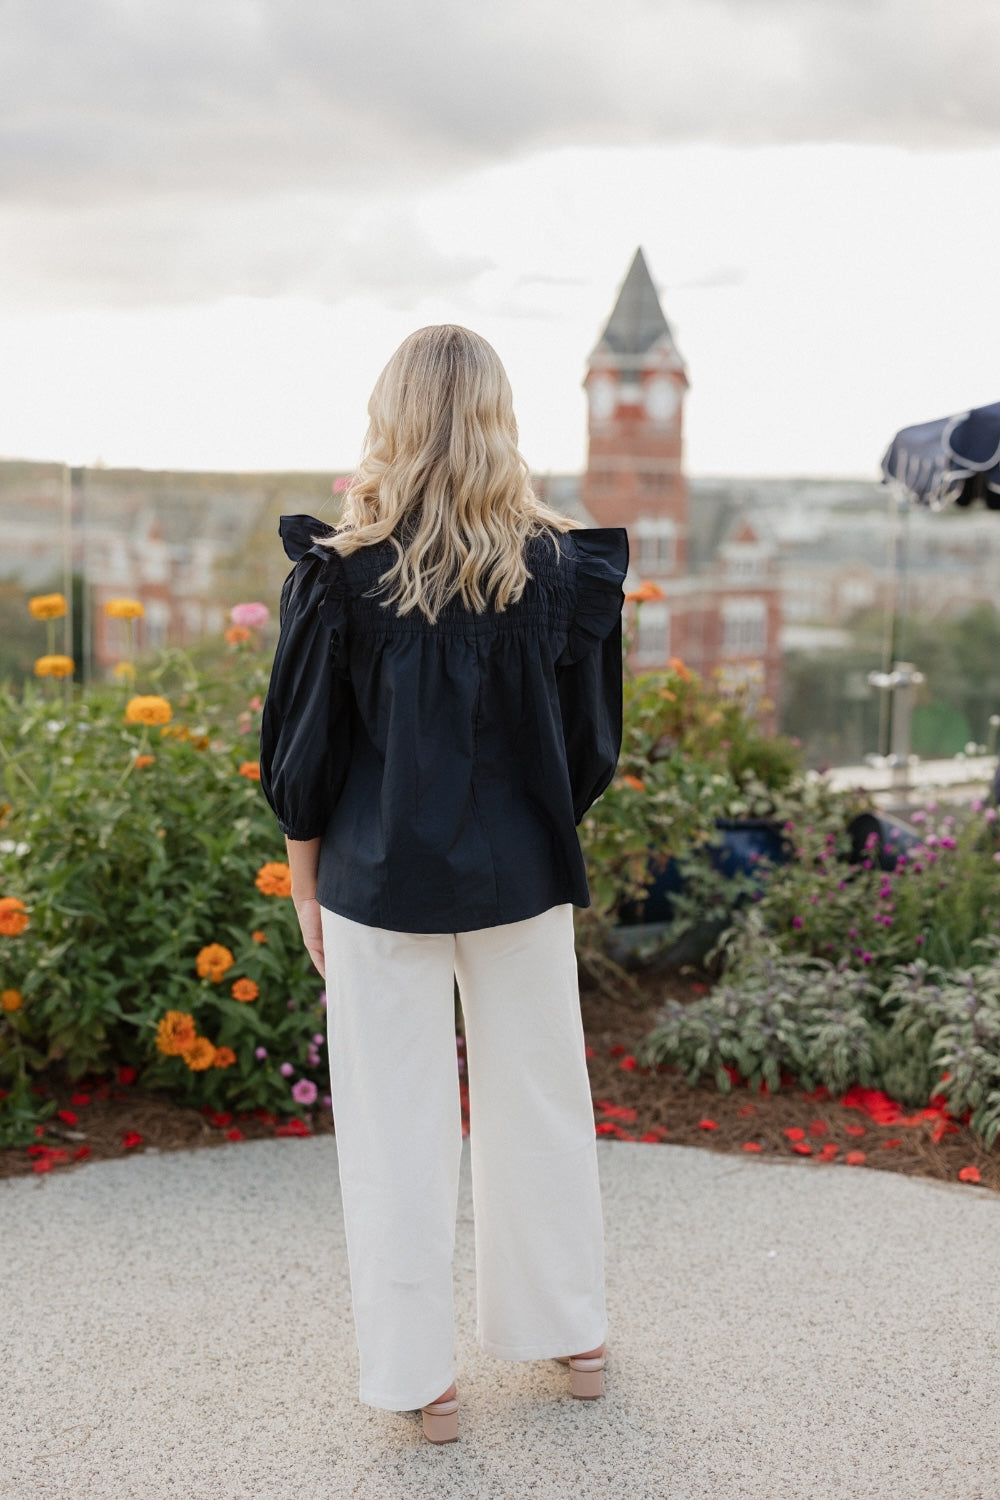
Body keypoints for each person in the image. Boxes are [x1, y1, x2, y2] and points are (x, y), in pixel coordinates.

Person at [259, 324, 627, 1444]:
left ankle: (424, 1384)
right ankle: (574, 1338)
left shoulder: (341, 576)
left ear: (394, 420)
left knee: (392, 1127)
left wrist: (303, 879)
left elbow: (304, 751)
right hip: (520, 873)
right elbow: (589, 749)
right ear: (498, 422)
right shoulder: (562, 573)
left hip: (379, 880)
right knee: (541, 1104)